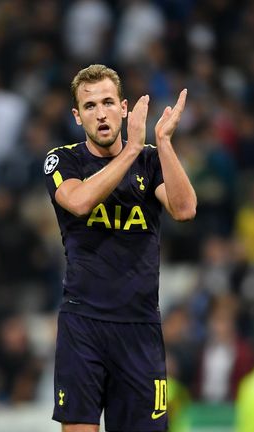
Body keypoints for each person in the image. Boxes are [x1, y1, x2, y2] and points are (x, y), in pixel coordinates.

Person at [44, 64, 196, 432]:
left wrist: (162, 143)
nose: (101, 113)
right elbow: (78, 201)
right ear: (77, 117)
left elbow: (185, 208)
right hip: (84, 325)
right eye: (91, 105)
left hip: (140, 326)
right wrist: (129, 150)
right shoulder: (63, 159)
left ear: (124, 107)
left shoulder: (149, 159)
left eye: (108, 102)